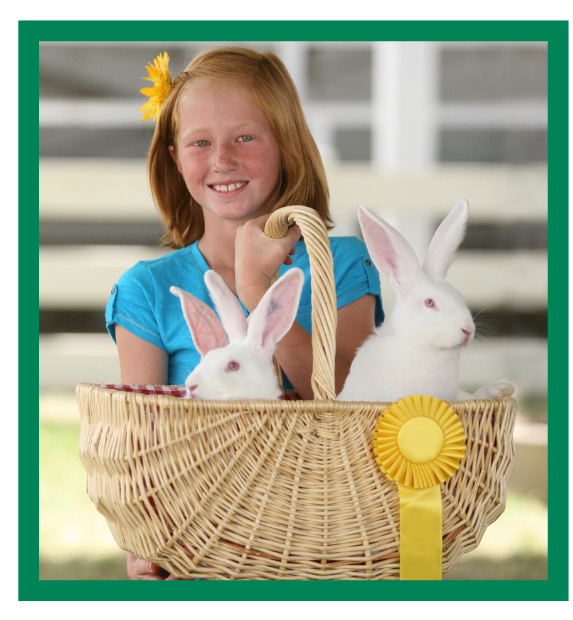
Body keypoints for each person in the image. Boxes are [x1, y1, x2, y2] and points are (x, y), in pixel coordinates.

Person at [105, 45, 384, 580]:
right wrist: (145, 538)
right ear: (173, 157)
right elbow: (142, 446)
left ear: (286, 144)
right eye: (200, 142)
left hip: (328, 542)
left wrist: (258, 287)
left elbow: (356, 407)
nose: (222, 160)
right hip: (207, 547)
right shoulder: (148, 290)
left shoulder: (339, 266)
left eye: (246, 137)